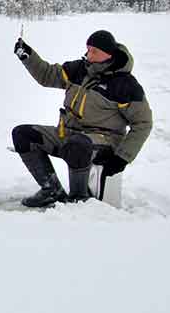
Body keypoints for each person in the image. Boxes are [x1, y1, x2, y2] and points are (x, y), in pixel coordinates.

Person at [12, 30, 153, 207]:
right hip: (69, 133)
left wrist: (122, 158)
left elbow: (143, 123)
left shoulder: (125, 84)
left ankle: (78, 200)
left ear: (109, 54)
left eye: (94, 51)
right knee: (23, 134)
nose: (89, 54)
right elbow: (47, 75)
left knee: (77, 144)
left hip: (104, 141)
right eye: (88, 49)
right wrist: (27, 55)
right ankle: (51, 190)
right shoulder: (78, 69)